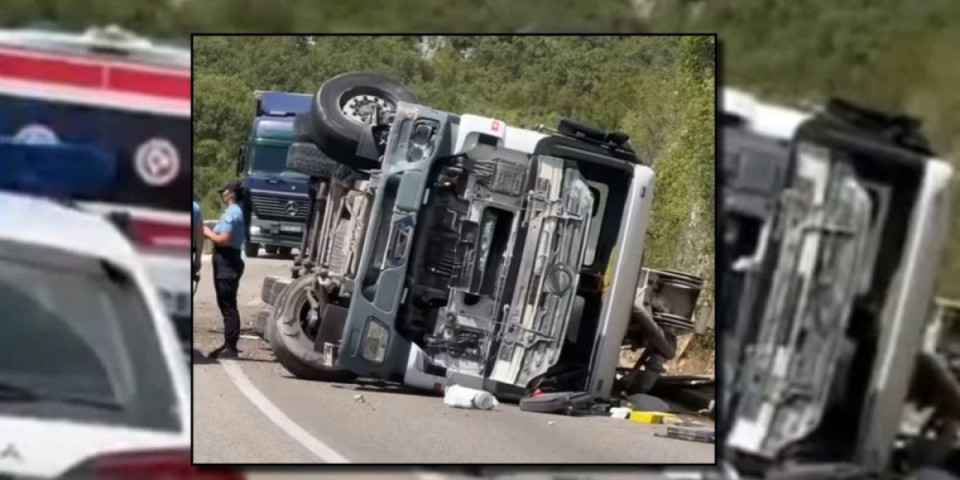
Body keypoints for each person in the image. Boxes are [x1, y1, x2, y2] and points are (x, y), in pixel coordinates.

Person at [203, 181, 246, 359]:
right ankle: (229, 344)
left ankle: (231, 347)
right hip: (227, 259)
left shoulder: (233, 212)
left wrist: (206, 232)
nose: (222, 194)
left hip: (227, 259)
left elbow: (224, 239)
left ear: (232, 194)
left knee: (228, 305)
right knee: (225, 304)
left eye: (224, 192)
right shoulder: (234, 212)